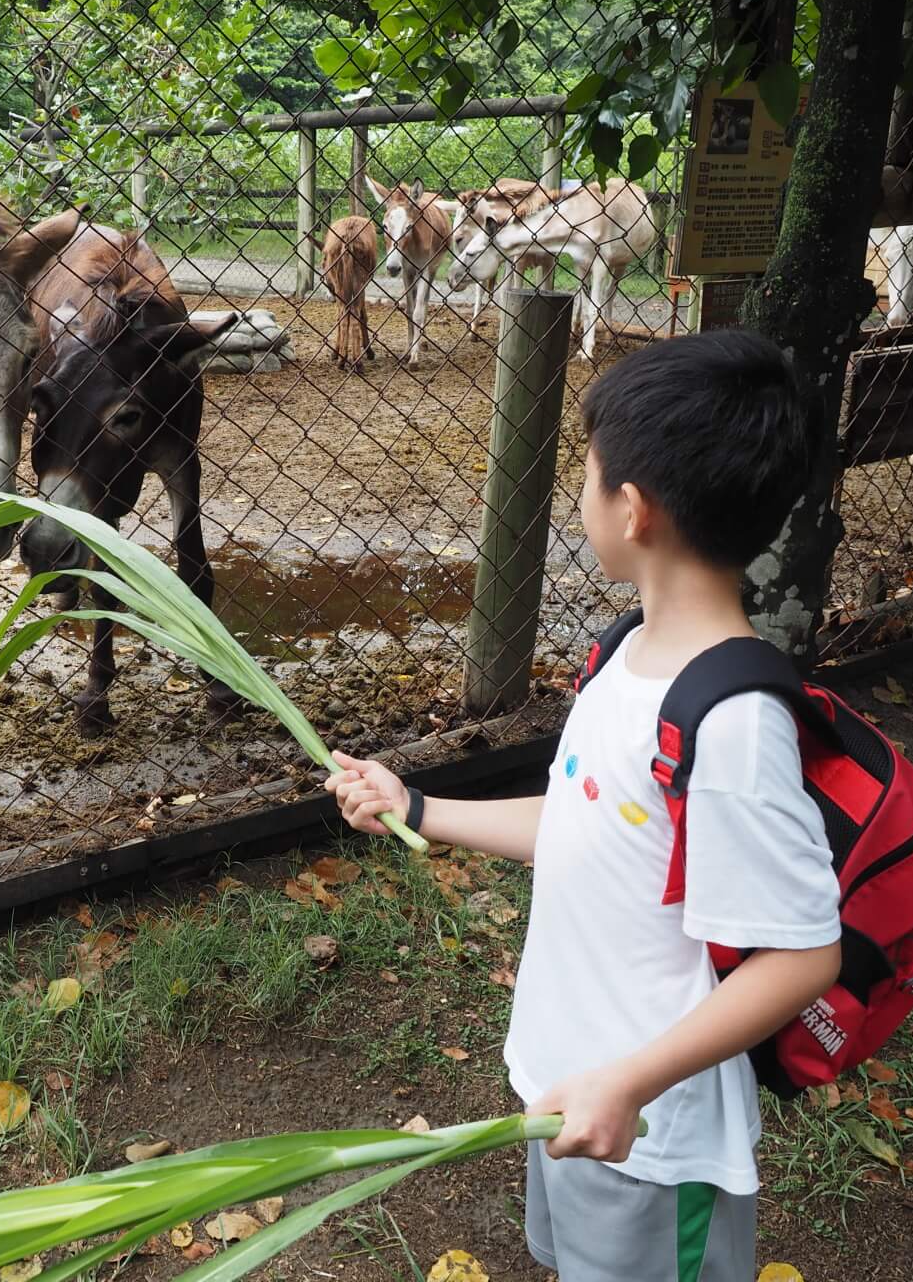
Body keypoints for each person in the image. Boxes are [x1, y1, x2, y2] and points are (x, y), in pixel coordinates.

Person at [327, 331, 843, 1281]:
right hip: (572, 1085)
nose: (581, 495)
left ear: (635, 511)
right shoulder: (628, 654)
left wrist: (631, 1082)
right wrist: (421, 805)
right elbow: (588, 828)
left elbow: (805, 951)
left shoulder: (729, 725)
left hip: (651, 1131)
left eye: (589, 474)